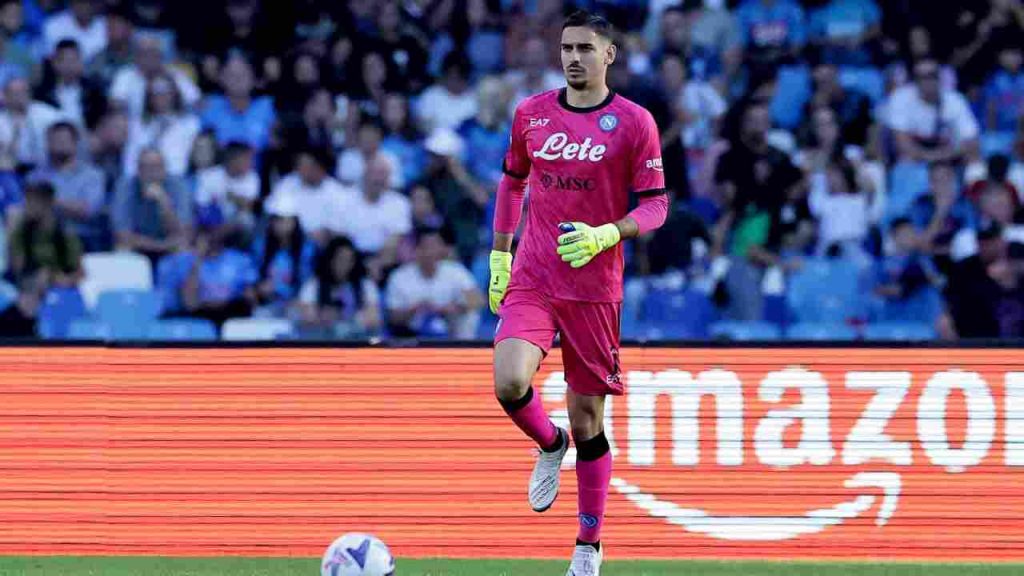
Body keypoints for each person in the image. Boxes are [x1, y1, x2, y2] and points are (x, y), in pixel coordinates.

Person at [488, 11, 668, 576]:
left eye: (585, 48)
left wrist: (608, 233)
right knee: (509, 380)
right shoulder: (531, 114)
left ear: (608, 55)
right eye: (566, 47)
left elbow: (657, 204)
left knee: (589, 421)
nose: (573, 57)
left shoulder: (635, 123)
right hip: (535, 275)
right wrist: (500, 254)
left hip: (594, 288)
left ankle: (588, 546)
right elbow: (512, 181)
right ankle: (548, 443)